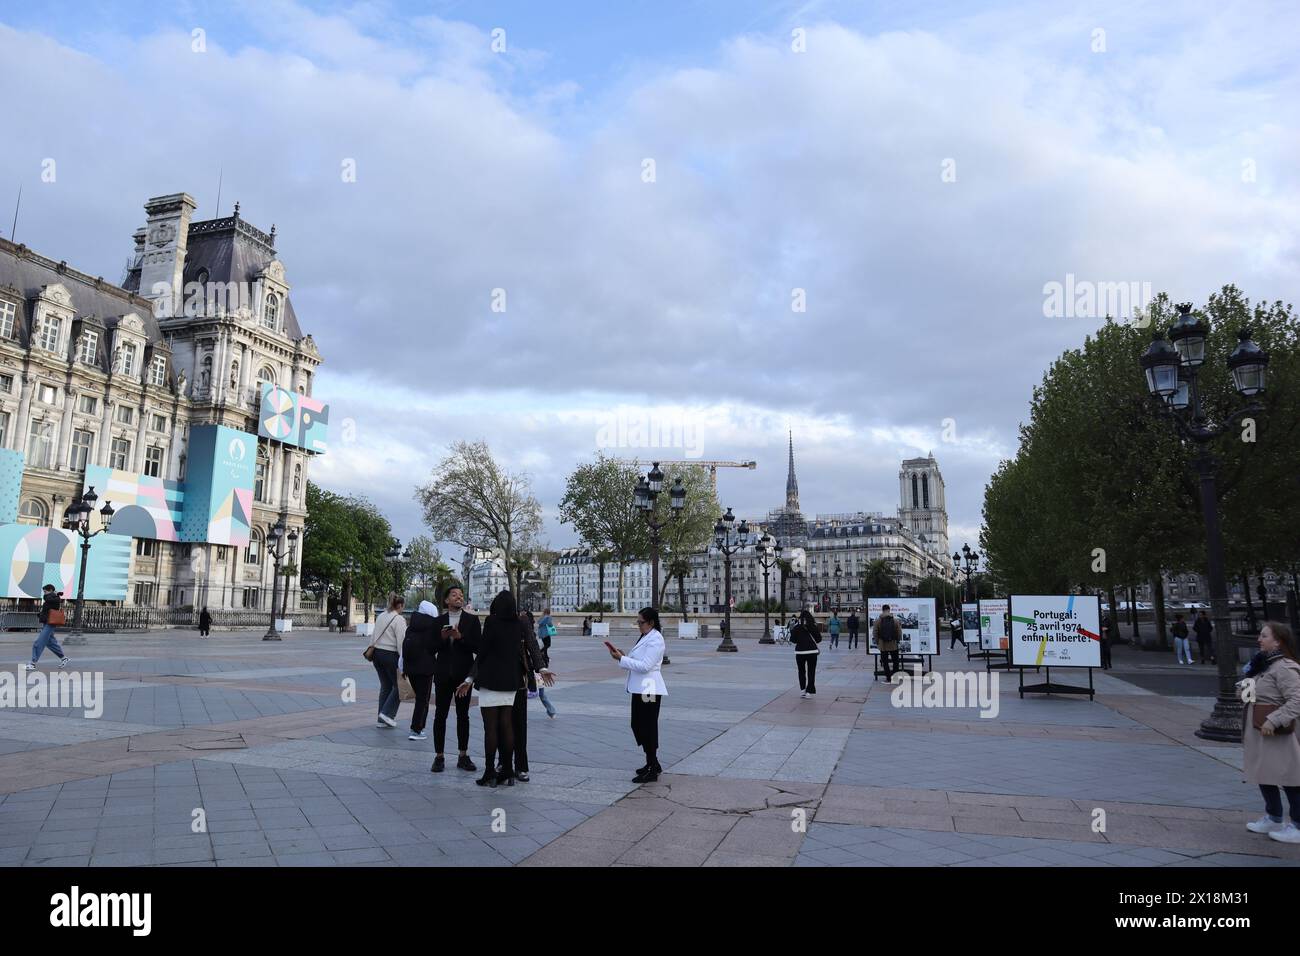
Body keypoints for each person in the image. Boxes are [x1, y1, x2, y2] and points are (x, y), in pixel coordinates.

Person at [459, 590, 552, 788]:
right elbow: (534, 646)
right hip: (512, 680)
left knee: (497, 727)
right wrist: (542, 668)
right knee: (509, 725)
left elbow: (483, 653)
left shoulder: (493, 622)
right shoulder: (519, 622)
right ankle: (507, 768)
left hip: (497, 679)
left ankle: (500, 769)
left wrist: (469, 677)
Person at [1241, 622, 1300, 843]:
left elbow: (1297, 700)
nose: (1259, 639)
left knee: (1290, 778)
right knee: (1264, 775)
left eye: (1264, 636)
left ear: (1278, 641)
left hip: (1278, 732)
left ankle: (1297, 824)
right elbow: (1248, 697)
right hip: (1259, 731)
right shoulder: (1264, 666)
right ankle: (1274, 817)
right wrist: (1247, 676)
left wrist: (1274, 720)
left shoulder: (1284, 667)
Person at [608, 607, 667, 783]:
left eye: (641, 622)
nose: (638, 625)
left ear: (651, 622)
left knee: (647, 726)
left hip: (648, 688)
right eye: (638, 622)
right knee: (638, 724)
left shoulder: (656, 639)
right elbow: (638, 662)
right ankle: (652, 763)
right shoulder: (646, 636)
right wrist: (623, 657)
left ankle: (652, 767)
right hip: (640, 687)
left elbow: (646, 666)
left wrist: (622, 659)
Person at [429, 586, 480, 773]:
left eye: (460, 595)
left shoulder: (472, 621)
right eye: (454, 595)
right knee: (440, 716)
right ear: (446, 601)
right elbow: (430, 649)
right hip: (442, 675)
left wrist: (460, 638)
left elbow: (478, 648)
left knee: (463, 716)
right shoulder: (438, 622)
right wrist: (442, 639)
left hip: (463, 677)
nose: (458, 597)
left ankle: (463, 755)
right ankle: (439, 756)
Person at [508, 609, 556, 780]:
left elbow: (534, 648)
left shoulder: (523, 627)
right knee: (501, 725)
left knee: (519, 724)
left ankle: (520, 766)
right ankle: (503, 763)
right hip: (501, 682)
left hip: (521, 682)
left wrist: (542, 667)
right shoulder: (496, 624)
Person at [366, 595, 407, 728]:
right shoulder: (399, 619)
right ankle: (386, 714)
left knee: (386, 686)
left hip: (377, 654)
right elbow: (401, 641)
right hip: (390, 655)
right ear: (400, 605)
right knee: (400, 686)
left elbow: (374, 635)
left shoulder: (382, 615)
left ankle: (381, 719)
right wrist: (404, 660)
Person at [402, 600, 439, 741]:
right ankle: (417, 729)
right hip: (425, 669)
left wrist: (403, 667)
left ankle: (416, 727)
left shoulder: (411, 627)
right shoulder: (432, 628)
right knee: (423, 700)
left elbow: (403, 647)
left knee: (419, 698)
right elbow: (435, 647)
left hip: (410, 668)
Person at [27, 585, 70, 671]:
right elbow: (47, 608)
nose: (44, 593)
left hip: (50, 623)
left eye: (45, 591)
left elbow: (47, 598)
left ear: (50, 590)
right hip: (46, 622)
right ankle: (64, 658)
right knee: (50, 642)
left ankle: (33, 663)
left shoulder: (55, 598)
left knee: (39, 642)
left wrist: (55, 593)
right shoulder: (52, 597)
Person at [790, 609, 821, 698]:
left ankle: (802, 690)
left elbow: (793, 640)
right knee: (811, 671)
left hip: (800, 652)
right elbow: (819, 639)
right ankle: (809, 692)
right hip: (812, 652)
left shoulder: (797, 627)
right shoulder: (813, 626)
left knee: (801, 671)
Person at [874, 604, 903, 681]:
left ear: (882, 610)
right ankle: (895, 676)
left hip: (883, 644)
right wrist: (898, 640)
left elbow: (875, 632)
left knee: (885, 662)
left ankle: (888, 677)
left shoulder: (878, 621)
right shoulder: (895, 620)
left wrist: (877, 642)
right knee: (895, 661)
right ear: (889, 610)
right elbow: (899, 632)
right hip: (893, 644)